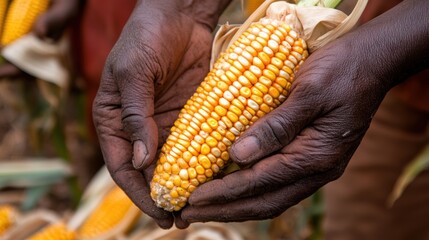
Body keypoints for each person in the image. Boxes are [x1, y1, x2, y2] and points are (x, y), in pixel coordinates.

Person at [92, 0, 429, 233]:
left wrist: (378, 55)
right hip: (395, 82)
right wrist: (184, 7)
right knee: (367, 224)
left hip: (391, 48)